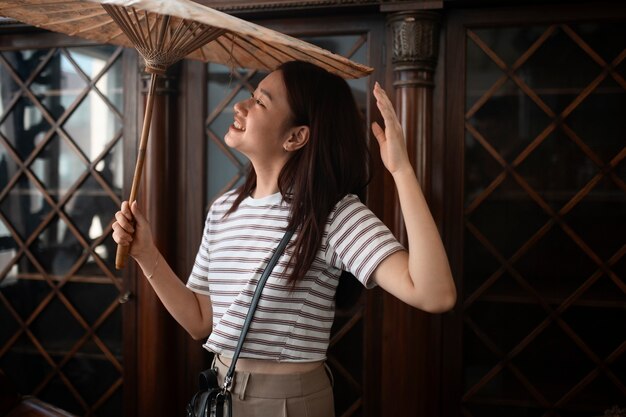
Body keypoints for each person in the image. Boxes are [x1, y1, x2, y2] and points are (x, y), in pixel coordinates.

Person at [112, 60, 456, 416]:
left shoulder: (333, 215)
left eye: (260, 102)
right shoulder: (223, 209)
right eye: (251, 96)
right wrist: (145, 253)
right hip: (221, 393)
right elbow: (201, 320)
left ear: (296, 137)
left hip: (289, 403)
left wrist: (401, 170)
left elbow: (435, 294)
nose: (240, 105)